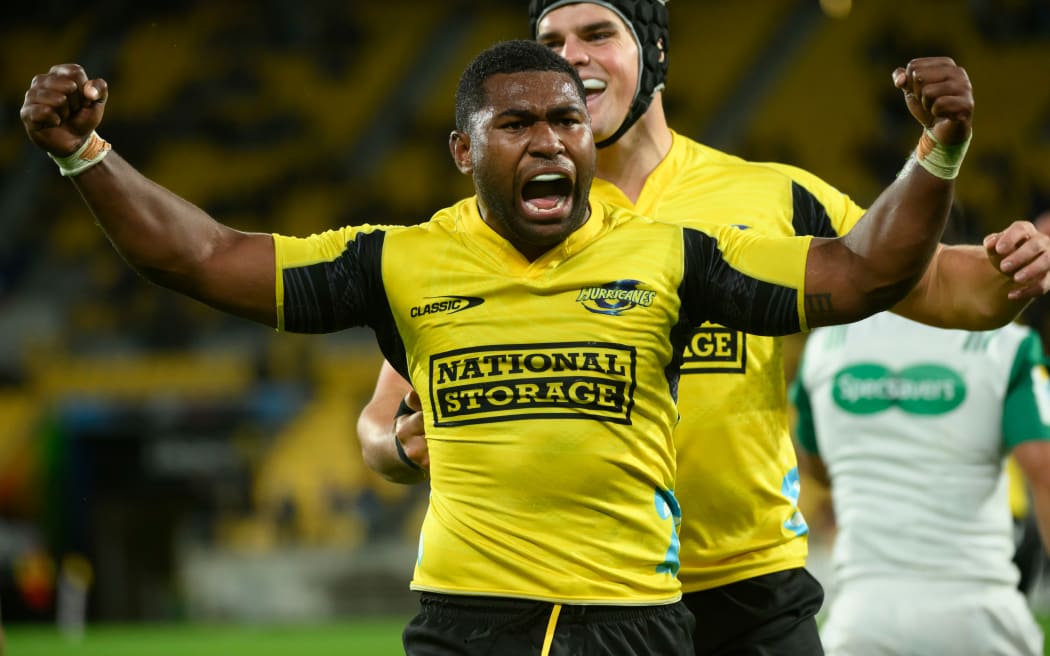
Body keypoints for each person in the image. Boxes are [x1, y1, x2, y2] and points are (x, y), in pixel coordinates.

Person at [23, 38, 970, 655]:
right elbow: (203, 257)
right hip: (466, 626)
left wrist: (935, 156)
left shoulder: (678, 255)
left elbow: (860, 274)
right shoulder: (400, 262)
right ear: (464, 151)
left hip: (635, 626)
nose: (549, 141)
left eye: (565, 121)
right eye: (515, 123)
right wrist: (85, 156)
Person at [357, 2, 1050, 654]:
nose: (569, 58)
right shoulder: (503, 218)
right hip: (582, 603)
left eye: (597, 34)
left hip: (750, 594)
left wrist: (1016, 262)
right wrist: (396, 445)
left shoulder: (773, 195)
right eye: (550, 46)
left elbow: (947, 290)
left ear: (653, 49)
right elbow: (379, 424)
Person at [789, 297, 1050, 655]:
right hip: (980, 619)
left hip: (863, 618)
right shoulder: (1004, 343)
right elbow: (1045, 472)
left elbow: (818, 465)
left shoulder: (826, 344)